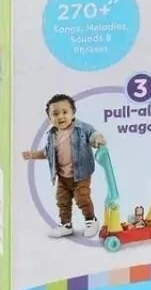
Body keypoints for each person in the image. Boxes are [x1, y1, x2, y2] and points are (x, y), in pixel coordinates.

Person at [22, 95, 107, 237]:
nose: (60, 116)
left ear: (73, 113)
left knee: (82, 198)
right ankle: (66, 225)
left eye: (65, 112)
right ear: (50, 118)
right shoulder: (52, 135)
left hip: (81, 174)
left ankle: (91, 220)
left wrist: (98, 138)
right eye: (55, 114)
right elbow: (47, 152)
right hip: (62, 176)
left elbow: (93, 134)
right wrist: (33, 155)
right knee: (62, 200)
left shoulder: (82, 128)